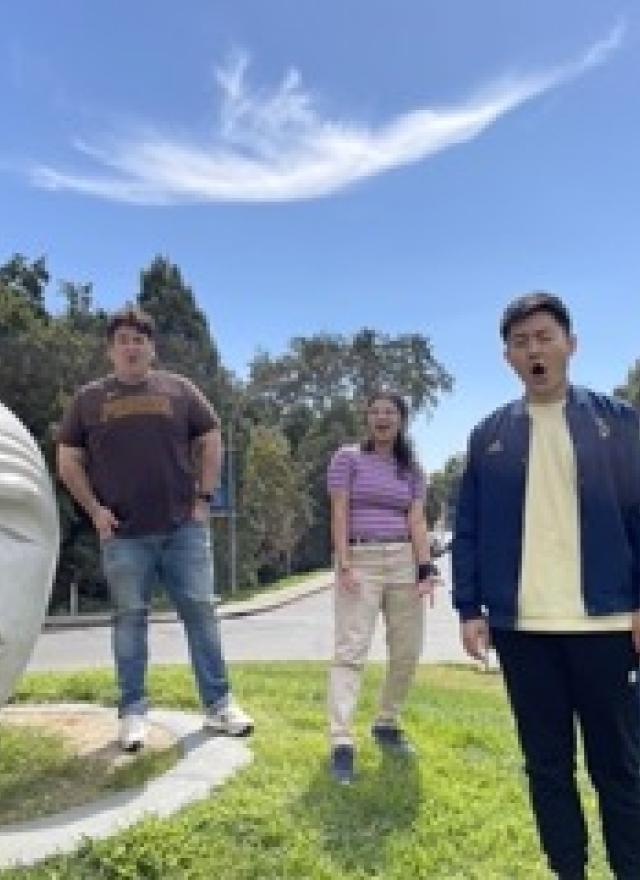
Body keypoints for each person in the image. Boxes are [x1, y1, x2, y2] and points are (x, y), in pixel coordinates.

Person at [452, 292, 640, 880]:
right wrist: (469, 607)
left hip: (608, 627)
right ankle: (569, 872)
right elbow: (470, 529)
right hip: (523, 629)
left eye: (544, 337)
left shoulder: (620, 422)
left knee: (621, 767)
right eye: (521, 342)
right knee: (547, 767)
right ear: (508, 357)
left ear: (571, 345)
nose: (534, 350)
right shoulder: (489, 437)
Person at [57, 305, 253, 751]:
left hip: (183, 530)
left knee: (201, 616)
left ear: (151, 348)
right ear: (110, 350)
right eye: (123, 340)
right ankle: (132, 714)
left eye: (139, 340)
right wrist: (93, 510)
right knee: (129, 622)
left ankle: (219, 704)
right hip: (124, 535)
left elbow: (212, 437)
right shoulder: (89, 400)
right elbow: (67, 459)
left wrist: (204, 499)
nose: (131, 347)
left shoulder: (179, 390)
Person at [326, 391, 439, 784]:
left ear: (401, 419)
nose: (382, 417)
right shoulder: (348, 458)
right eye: (374, 411)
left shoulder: (412, 469)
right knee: (350, 651)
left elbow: (418, 521)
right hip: (361, 560)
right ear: (367, 419)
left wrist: (426, 569)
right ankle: (341, 741)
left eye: (389, 411)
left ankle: (386, 722)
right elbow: (339, 510)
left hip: (405, 562)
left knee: (407, 651)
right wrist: (344, 563)